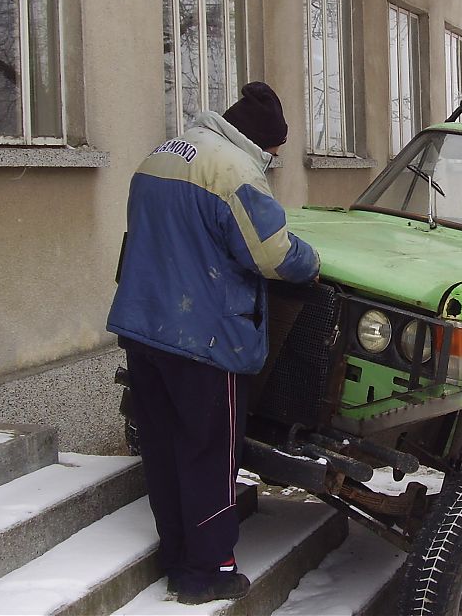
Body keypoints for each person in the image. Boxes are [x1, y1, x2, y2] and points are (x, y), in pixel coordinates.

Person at [106, 82, 319, 605]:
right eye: (275, 152)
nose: (273, 160)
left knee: (163, 449)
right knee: (209, 454)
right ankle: (207, 573)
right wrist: (312, 262)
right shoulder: (234, 171)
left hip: (145, 327)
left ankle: (177, 556)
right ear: (260, 140)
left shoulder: (162, 154)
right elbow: (272, 254)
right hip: (204, 339)